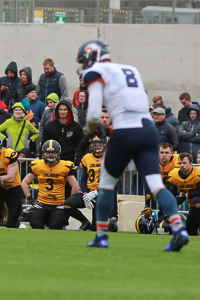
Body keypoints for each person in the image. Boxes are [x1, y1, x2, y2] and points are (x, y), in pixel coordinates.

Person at [77, 39, 188, 250]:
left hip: (125, 132)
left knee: (106, 184)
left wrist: (93, 130)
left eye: (84, 60)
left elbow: (92, 114)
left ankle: (101, 236)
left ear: (92, 56)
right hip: (147, 130)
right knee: (156, 184)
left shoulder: (96, 71)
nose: (84, 66)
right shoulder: (131, 69)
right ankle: (178, 228)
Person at [21, 140, 79, 230]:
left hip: (58, 203)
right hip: (41, 203)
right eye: (48, 152)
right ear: (44, 153)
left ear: (58, 153)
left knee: (56, 225)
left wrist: (69, 202)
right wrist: (31, 200)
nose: (50, 155)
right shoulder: (37, 165)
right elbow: (24, 183)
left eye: (53, 152)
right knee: (35, 224)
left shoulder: (66, 165)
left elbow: (75, 186)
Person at [144, 143, 180, 221]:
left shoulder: (178, 160)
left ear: (172, 153)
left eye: (166, 153)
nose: (164, 155)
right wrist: (147, 204)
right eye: (162, 152)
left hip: (178, 190)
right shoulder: (153, 163)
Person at [167, 153, 200, 236]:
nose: (182, 165)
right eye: (180, 163)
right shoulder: (174, 175)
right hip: (193, 207)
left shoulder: (198, 173)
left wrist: (185, 196)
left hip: (197, 203)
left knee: (197, 199)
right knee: (190, 232)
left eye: (184, 163)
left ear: (191, 164)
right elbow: (172, 194)